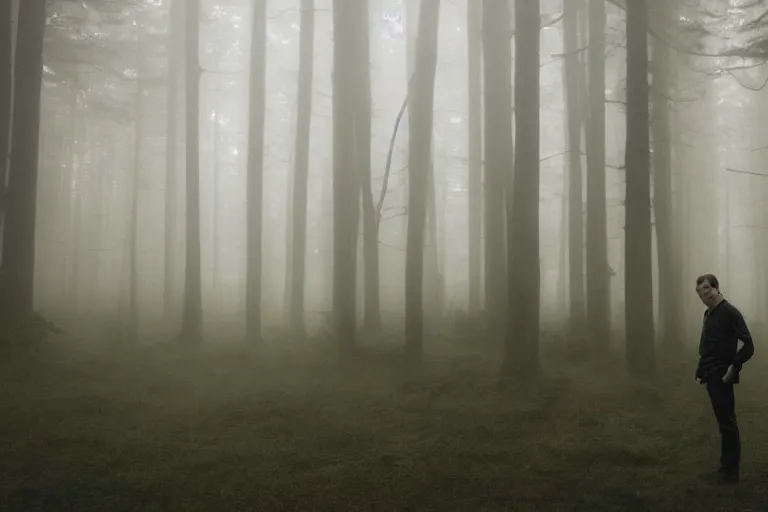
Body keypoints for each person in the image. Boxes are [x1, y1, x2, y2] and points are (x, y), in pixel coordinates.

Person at [694, 273, 755, 484]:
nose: (704, 295)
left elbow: (749, 346)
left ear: (717, 289)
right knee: (723, 423)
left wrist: (733, 368)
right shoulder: (708, 314)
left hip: (723, 376)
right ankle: (725, 468)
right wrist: (701, 370)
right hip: (711, 376)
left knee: (728, 423)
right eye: (700, 292)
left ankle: (731, 473)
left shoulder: (729, 312)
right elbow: (708, 345)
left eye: (707, 289)